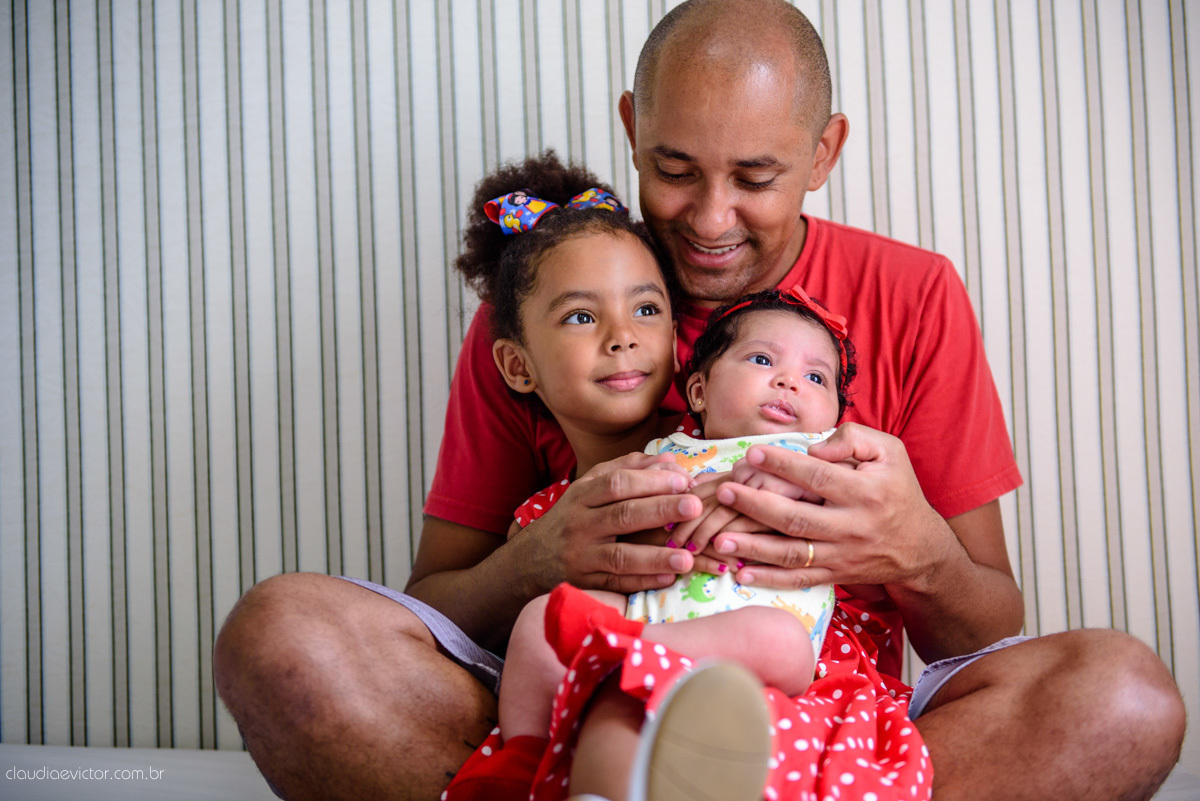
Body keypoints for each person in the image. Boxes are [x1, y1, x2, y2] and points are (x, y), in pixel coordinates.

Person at [212, 2, 1185, 800]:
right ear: (632, 128)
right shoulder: (557, 299)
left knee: (1124, 698)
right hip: (584, 704)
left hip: (818, 718)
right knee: (283, 635)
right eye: (673, 169)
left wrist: (919, 551)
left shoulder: (915, 293)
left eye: (756, 178)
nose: (710, 220)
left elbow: (985, 629)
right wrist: (538, 561)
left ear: (824, 152)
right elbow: (438, 612)